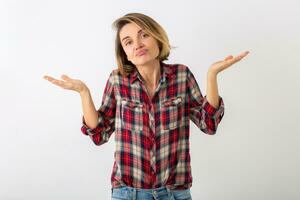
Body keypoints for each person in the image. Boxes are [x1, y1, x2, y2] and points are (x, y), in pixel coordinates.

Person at [44, 12, 249, 200]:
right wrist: (83, 93)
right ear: (125, 53)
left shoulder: (181, 75)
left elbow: (208, 124)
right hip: (128, 193)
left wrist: (212, 75)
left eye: (144, 35)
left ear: (157, 38)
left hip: (175, 193)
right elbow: (99, 134)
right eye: (128, 42)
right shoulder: (117, 81)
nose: (138, 44)